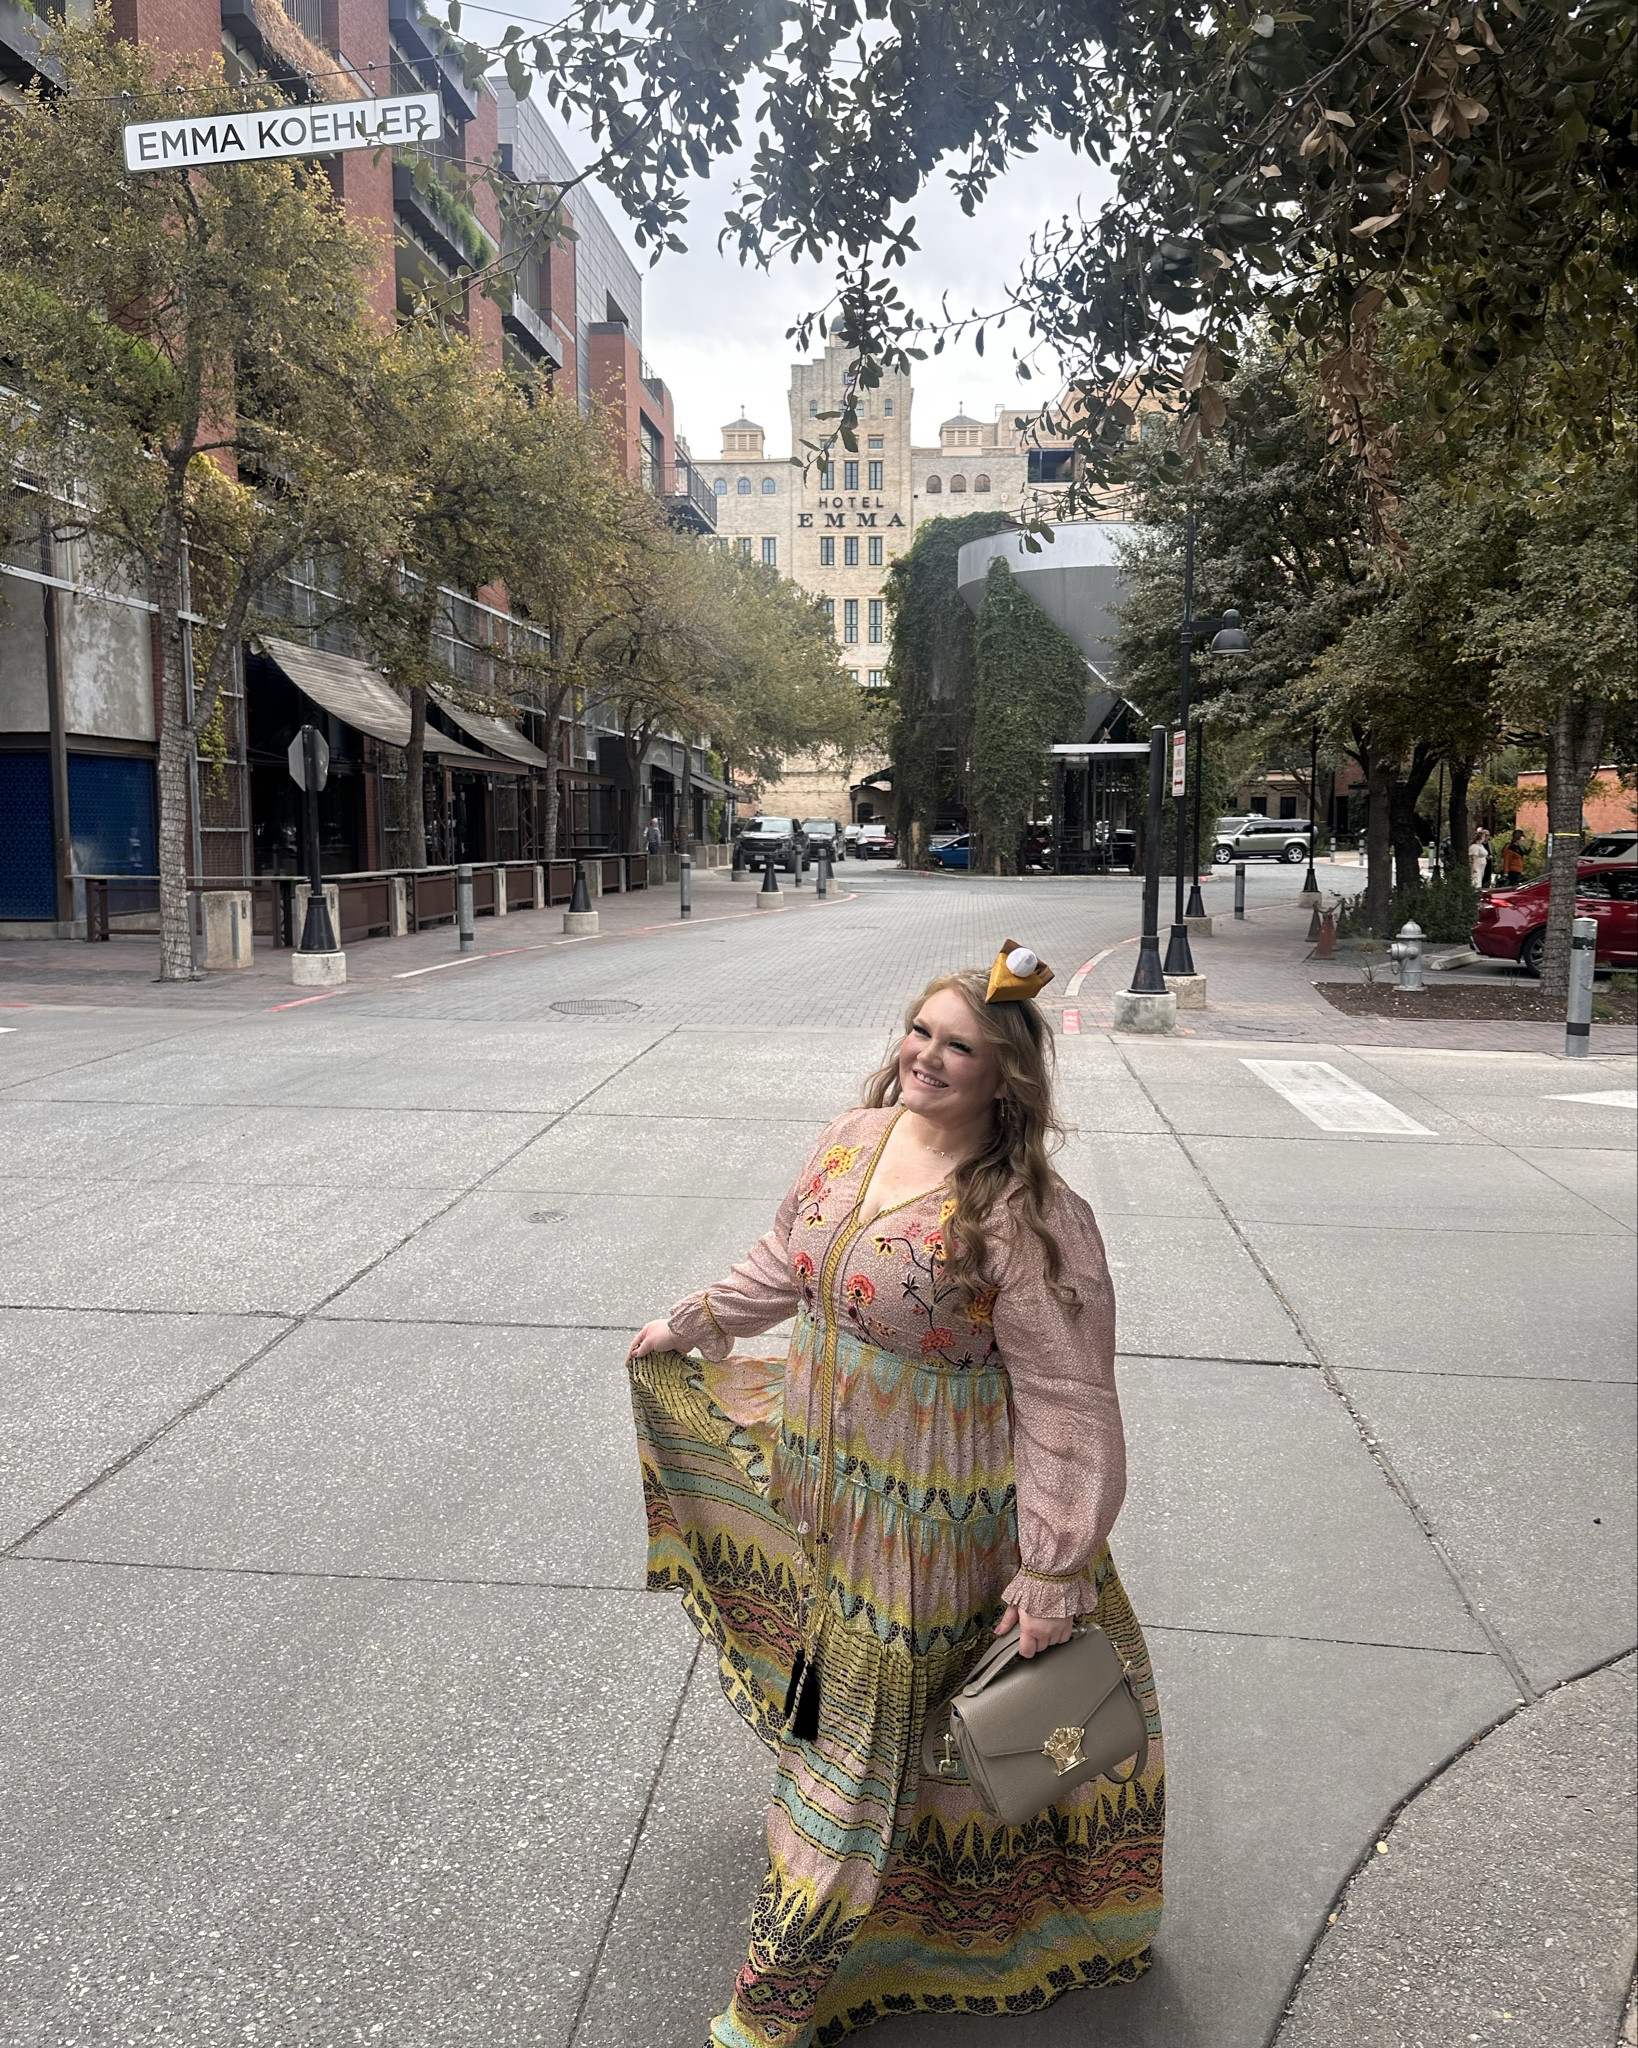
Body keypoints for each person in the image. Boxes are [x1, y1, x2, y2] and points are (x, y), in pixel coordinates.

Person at [627, 945, 1164, 2047]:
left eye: (956, 1043)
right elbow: (790, 1258)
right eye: (919, 1032)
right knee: (915, 1733)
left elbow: (1069, 1397)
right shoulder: (856, 1136)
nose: (924, 1055)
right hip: (829, 1487)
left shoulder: (1027, 1216)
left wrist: (1055, 1565)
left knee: (869, 1741)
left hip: (937, 1524)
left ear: (1005, 1074)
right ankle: (920, 1903)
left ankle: (776, 1995)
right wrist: (696, 1322)